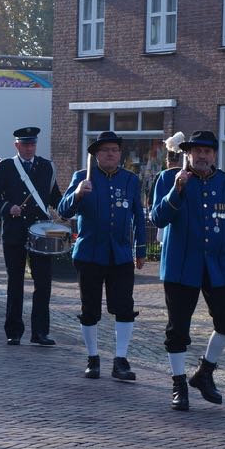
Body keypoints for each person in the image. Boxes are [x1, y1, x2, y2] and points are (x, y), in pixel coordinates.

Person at [150, 130, 225, 411]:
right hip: (181, 266)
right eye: (197, 151)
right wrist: (177, 190)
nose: (202, 156)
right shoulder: (169, 179)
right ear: (187, 154)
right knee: (178, 329)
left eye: (208, 151)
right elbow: (158, 218)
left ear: (214, 154)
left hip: (218, 266)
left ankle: (205, 372)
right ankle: (178, 384)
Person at [58, 131, 147, 381]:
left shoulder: (130, 180)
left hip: (119, 254)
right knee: (90, 309)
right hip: (90, 253)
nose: (111, 154)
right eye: (105, 150)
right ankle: (93, 357)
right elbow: (64, 211)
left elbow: (138, 216)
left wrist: (140, 249)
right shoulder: (82, 177)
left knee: (125, 307)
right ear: (96, 154)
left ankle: (120, 360)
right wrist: (77, 194)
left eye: (115, 150)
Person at [0, 126, 62, 346]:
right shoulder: (7, 166)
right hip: (15, 232)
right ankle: (14, 331)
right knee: (15, 282)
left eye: (32, 144)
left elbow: (54, 197)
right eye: (25, 144)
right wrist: (8, 207)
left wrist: (71, 205)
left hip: (41, 231)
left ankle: (40, 332)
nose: (29, 148)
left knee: (43, 283)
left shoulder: (46, 167)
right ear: (16, 145)